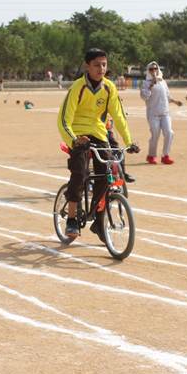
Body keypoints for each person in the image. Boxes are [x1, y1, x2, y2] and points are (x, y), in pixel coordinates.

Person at [57, 48, 139, 241]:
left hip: (99, 134)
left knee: (108, 173)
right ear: (87, 66)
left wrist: (129, 141)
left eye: (104, 64)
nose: (101, 68)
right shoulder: (78, 87)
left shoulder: (109, 87)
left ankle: (98, 221)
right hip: (78, 135)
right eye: (97, 65)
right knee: (80, 172)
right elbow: (63, 120)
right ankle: (71, 218)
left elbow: (118, 116)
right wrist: (74, 140)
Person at [140, 61, 182, 165]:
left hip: (165, 112)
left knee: (169, 133)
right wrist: (151, 85)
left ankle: (165, 155)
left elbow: (167, 96)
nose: (154, 71)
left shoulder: (162, 81)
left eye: (155, 68)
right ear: (148, 71)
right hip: (153, 113)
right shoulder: (145, 83)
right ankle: (151, 156)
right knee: (155, 135)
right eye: (151, 69)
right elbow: (144, 97)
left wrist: (175, 101)